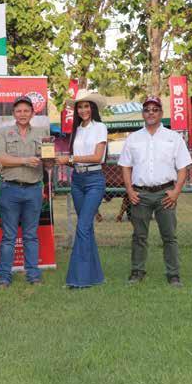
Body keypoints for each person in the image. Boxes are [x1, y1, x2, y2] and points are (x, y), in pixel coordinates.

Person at [118, 95, 192, 287]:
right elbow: (125, 166)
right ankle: (137, 271)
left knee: (169, 236)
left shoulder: (173, 137)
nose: (151, 113)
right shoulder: (133, 138)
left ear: (161, 113)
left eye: (155, 109)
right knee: (139, 236)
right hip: (140, 194)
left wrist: (176, 192)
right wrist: (129, 190)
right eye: (147, 110)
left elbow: (183, 167)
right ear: (143, 113)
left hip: (165, 193)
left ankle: (173, 274)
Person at [0, 95, 50, 287]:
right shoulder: (3, 132)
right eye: (19, 111)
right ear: (13, 113)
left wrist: (50, 161)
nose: (23, 114)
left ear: (33, 113)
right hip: (10, 189)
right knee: (9, 236)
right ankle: (4, 277)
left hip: (34, 189)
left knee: (31, 235)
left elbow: (48, 161)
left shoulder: (42, 132)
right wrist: (25, 160)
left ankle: (33, 275)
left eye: (26, 110)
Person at [56, 90, 108, 289]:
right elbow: (74, 159)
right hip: (77, 180)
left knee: (83, 227)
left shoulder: (100, 127)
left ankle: (78, 279)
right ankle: (95, 276)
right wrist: (58, 159)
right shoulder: (76, 130)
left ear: (93, 108)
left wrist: (70, 158)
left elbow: (97, 157)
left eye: (87, 106)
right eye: (80, 107)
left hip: (94, 180)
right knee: (87, 229)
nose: (83, 110)